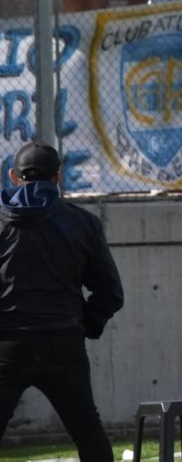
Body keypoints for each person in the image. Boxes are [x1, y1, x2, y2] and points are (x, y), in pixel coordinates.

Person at [0, 141, 124, 461]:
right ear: (58, 178)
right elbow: (110, 292)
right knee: (87, 429)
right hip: (63, 341)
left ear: (14, 176)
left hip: (9, 343)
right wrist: (84, 324)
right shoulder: (82, 222)